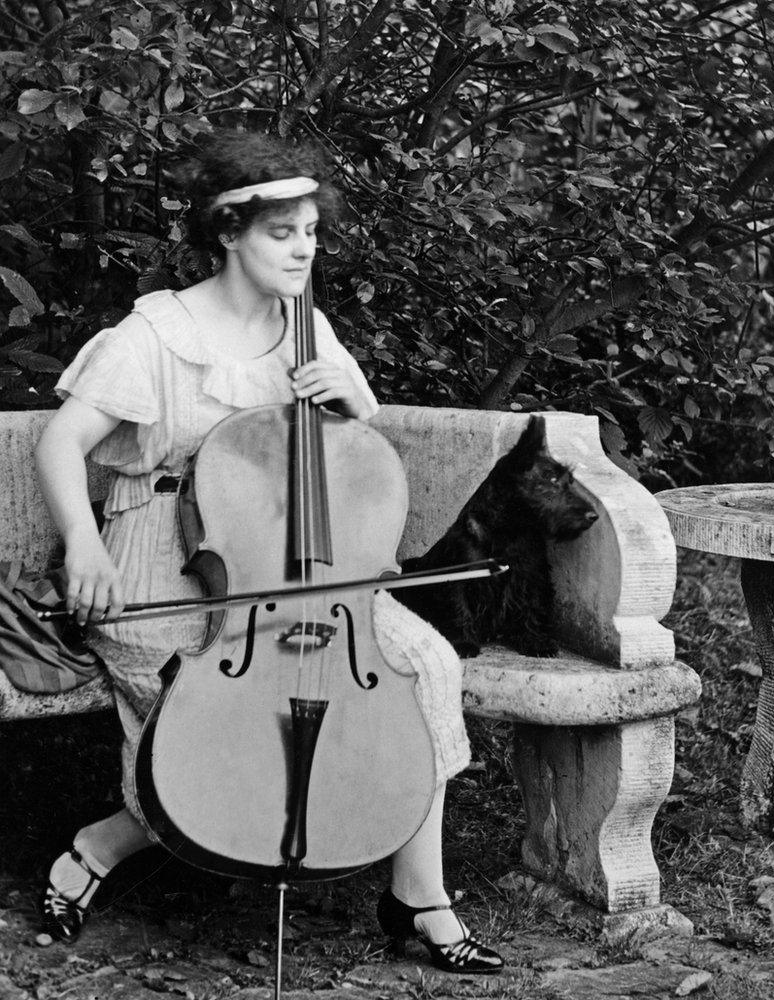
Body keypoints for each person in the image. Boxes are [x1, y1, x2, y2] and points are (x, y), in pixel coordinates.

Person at [33, 129, 503, 975]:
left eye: (311, 232)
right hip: (161, 560)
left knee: (425, 665)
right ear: (228, 233)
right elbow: (63, 443)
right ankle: (99, 844)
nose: (304, 249)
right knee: (222, 723)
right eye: (282, 232)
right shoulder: (158, 334)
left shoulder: (307, 327)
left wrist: (356, 402)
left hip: (296, 569)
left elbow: (353, 465)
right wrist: (81, 547)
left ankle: (420, 895)